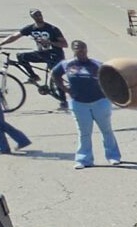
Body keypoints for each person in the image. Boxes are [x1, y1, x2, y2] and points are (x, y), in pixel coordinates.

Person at [51, 36, 123, 166]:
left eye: (83, 49)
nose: (81, 51)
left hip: (100, 102)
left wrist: (110, 92)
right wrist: (65, 89)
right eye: (78, 49)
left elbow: (111, 77)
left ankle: (113, 156)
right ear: (73, 50)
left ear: (86, 49)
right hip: (79, 103)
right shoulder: (67, 64)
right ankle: (83, 159)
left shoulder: (97, 64)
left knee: (106, 130)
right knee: (84, 133)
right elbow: (55, 74)